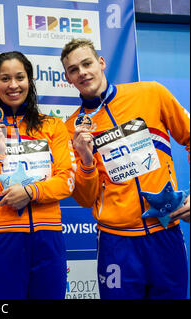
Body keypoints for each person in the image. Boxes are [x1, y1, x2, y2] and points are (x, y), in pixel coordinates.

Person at [61, 38, 189, 299]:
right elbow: (85, 199)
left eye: (87, 63)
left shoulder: (151, 93)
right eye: (74, 70)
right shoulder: (70, 129)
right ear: (67, 78)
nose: (82, 72)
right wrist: (86, 160)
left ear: (101, 63)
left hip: (165, 233)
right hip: (116, 242)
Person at [0, 51, 75, 298]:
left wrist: (30, 192)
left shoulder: (52, 126)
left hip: (48, 235)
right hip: (1, 235)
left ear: (30, 80)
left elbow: (67, 180)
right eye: (5, 78)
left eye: (20, 77)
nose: (13, 85)